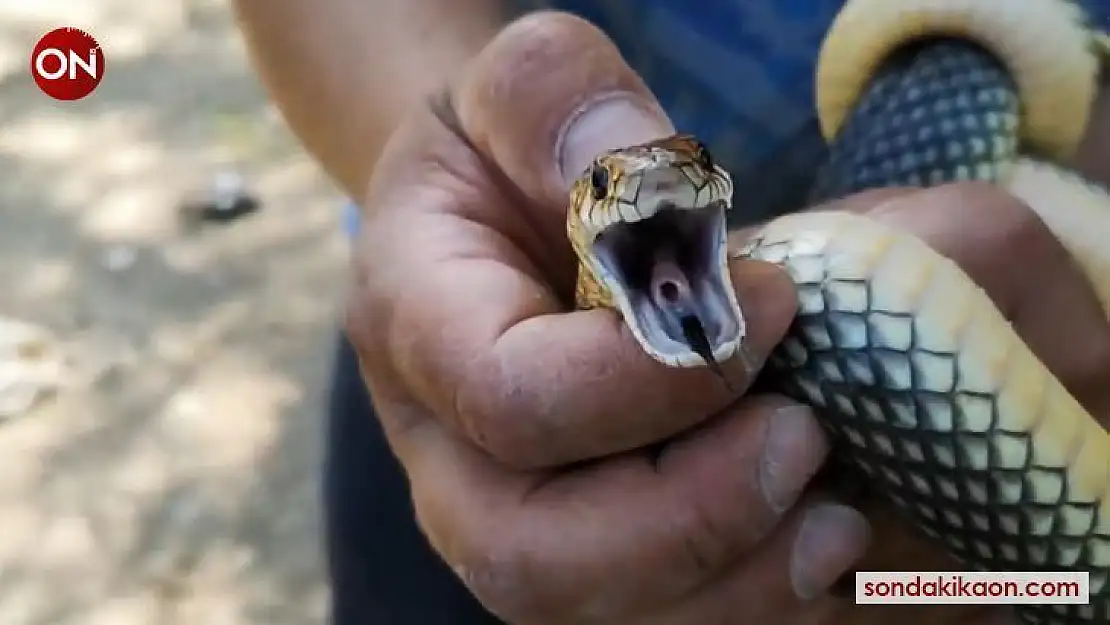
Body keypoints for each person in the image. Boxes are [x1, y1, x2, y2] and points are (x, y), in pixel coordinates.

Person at [230, 1, 1110, 624]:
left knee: (912, 588)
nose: (650, 177)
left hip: (1013, 182)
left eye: (680, 168)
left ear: (708, 186)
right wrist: (460, 192)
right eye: (615, 180)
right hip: (478, 362)